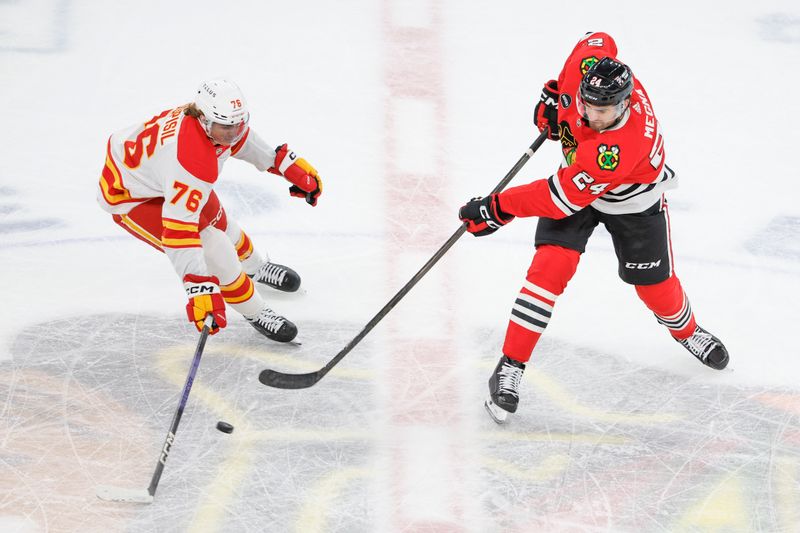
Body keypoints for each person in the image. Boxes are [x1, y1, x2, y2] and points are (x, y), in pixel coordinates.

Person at [458, 32, 729, 424]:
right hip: (580, 183)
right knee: (548, 271)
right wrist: (556, 97)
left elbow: (559, 198)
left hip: (632, 202)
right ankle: (510, 366)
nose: (592, 116)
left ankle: (687, 331)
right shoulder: (589, 67)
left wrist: (496, 208)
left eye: (603, 112)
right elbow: (598, 38)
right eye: (587, 104)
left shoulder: (617, 148)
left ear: (625, 103)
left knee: (655, 290)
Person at [97, 79, 322, 342]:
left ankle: (255, 267)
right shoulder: (191, 160)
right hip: (132, 196)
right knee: (217, 249)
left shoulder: (213, 123)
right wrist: (199, 288)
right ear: (204, 120)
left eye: (238, 123)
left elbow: (239, 139)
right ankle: (257, 311)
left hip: (157, 174)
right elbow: (179, 233)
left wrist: (282, 163)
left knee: (220, 221)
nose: (233, 133)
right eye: (226, 127)